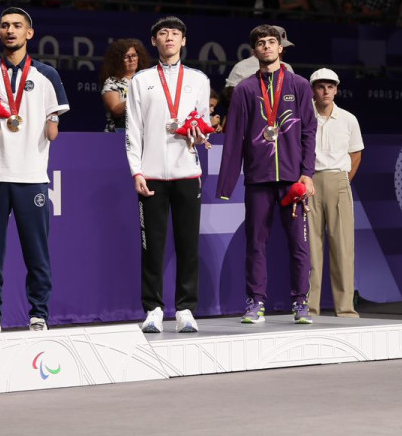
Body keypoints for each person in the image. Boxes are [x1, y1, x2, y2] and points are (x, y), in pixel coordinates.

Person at [0, 8, 69, 335]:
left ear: (29, 33)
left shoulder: (47, 75)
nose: (11, 30)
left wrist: (52, 122)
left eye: (17, 26)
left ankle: (39, 315)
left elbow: (53, 130)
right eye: (6, 26)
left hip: (31, 176)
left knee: (37, 253)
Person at [216, 25, 317, 325]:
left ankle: (300, 302)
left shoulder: (299, 85)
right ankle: (255, 302)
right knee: (255, 243)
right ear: (255, 51)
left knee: (299, 244)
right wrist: (227, 183)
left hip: (292, 181)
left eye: (272, 42)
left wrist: (307, 174)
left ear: (280, 48)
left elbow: (309, 133)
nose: (267, 47)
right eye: (261, 43)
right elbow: (234, 137)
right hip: (258, 179)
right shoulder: (245, 89)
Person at [124, 17, 212, 334]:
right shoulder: (141, 81)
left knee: (188, 245)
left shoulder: (199, 80)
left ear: (184, 41)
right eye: (163, 32)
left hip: (187, 172)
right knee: (153, 247)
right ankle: (153, 309)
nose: (169, 37)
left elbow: (201, 124)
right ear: (155, 41)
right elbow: (132, 130)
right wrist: (136, 170)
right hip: (152, 175)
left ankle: (186, 309)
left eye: (175, 33)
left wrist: (199, 135)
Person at [308, 68, 363, 318]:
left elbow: (355, 154)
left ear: (337, 89)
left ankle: (345, 308)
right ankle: (309, 308)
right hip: (310, 182)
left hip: (339, 181)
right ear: (313, 90)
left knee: (342, 248)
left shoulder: (348, 119)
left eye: (331, 86)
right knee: (311, 250)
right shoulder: (303, 115)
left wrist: (343, 181)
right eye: (321, 86)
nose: (326, 91)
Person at [100, 38, 152, 132]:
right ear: (118, 60)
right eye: (126, 57)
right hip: (119, 132)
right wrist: (137, 97)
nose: (131, 59)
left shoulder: (147, 79)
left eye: (134, 55)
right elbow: (115, 110)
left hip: (144, 132)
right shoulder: (112, 82)